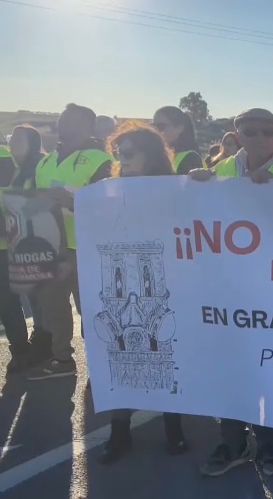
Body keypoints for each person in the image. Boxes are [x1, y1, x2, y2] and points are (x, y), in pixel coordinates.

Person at [190, 108, 273, 478]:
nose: (259, 138)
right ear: (237, 133)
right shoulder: (221, 171)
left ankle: (269, 445)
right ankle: (232, 443)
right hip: (229, 293)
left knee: (270, 369)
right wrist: (192, 184)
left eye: (267, 131)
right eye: (250, 131)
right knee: (230, 370)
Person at [98, 123, 189, 463]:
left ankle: (174, 429)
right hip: (120, 283)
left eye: (129, 152)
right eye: (117, 152)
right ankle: (119, 433)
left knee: (165, 353)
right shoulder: (107, 190)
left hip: (162, 283)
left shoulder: (175, 189)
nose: (121, 158)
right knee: (119, 356)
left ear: (151, 156)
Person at [28, 103, 113, 380]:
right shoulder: (45, 160)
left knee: (91, 309)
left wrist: (75, 202)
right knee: (53, 306)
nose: (65, 125)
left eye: (74, 120)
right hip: (51, 247)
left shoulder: (102, 160)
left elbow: (109, 204)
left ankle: (100, 365)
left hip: (87, 247)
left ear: (89, 127)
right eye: (63, 119)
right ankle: (62, 357)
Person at [7, 125, 51, 367]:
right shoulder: (18, 169)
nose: (12, 143)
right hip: (23, 240)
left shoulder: (39, 166)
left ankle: (48, 341)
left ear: (32, 143)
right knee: (33, 295)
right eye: (11, 138)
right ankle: (41, 335)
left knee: (44, 295)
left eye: (17, 139)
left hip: (42, 240)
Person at [152, 107, 204, 175]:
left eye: (160, 126)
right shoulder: (153, 156)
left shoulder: (190, 159)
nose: (155, 131)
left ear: (179, 129)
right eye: (152, 127)